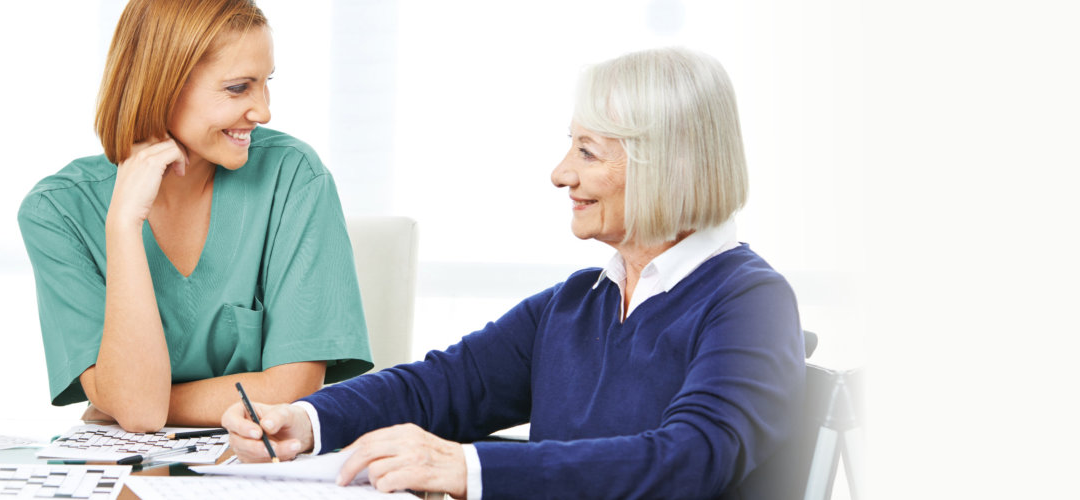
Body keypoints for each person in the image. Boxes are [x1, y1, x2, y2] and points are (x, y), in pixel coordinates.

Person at [221, 47, 805, 499]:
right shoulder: (579, 302)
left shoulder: (750, 301)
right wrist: (306, 419)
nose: (560, 174)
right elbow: (444, 385)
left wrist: (466, 466)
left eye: (588, 151)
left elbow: (692, 458)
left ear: (668, 164)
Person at [18, 0, 373, 433]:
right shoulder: (57, 212)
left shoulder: (293, 176)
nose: (263, 112)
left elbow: (292, 389)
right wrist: (125, 225)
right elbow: (140, 413)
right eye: (239, 88)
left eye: (266, 84)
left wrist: (135, 401)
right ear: (161, 85)